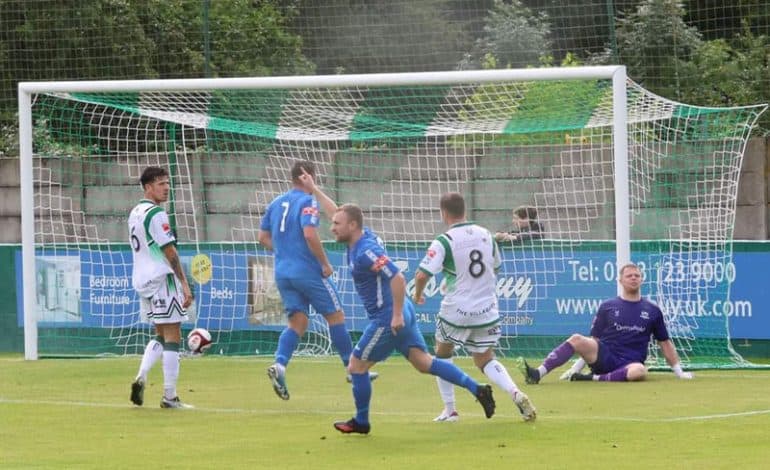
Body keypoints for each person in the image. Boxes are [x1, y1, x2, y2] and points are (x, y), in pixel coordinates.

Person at [296, 173, 495, 435]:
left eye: (336, 224)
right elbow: (340, 212)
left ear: (352, 226)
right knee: (424, 363)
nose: (331, 227)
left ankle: (362, 421)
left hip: (388, 317)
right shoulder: (360, 235)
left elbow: (398, 277)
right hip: (400, 313)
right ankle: (478, 389)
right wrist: (315, 190)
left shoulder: (366, 251)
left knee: (356, 367)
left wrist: (397, 315)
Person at [413, 192, 536, 422]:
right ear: (465, 210)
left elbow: (422, 274)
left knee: (442, 355)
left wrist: (418, 295)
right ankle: (515, 392)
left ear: (444, 213)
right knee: (485, 359)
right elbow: (496, 267)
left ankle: (450, 410)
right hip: (486, 309)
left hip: (456, 310)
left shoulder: (444, 240)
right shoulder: (486, 235)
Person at [258, 161, 369, 400]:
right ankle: (353, 371)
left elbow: (262, 237)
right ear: (309, 177)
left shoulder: (275, 203)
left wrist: (283, 252)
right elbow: (309, 233)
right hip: (306, 271)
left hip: (282, 271)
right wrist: (324, 263)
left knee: (297, 322)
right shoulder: (308, 202)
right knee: (336, 316)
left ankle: (280, 365)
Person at [518, 263, 694, 383]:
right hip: (605, 356)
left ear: (642, 279)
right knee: (577, 339)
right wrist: (576, 367)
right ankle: (537, 373)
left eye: (636, 275)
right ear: (620, 280)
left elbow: (664, 342)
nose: (633, 278)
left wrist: (679, 373)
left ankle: (591, 379)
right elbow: (593, 340)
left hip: (630, 363)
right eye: (629, 276)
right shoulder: (608, 306)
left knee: (640, 371)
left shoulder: (652, 309)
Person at [129, 166, 194, 409]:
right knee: (173, 334)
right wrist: (184, 284)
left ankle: (141, 375)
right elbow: (170, 252)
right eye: (160, 184)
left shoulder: (135, 212)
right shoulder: (156, 214)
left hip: (143, 280)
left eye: (167, 183)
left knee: (160, 333)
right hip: (161, 278)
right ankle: (169, 396)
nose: (166, 188)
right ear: (148, 187)